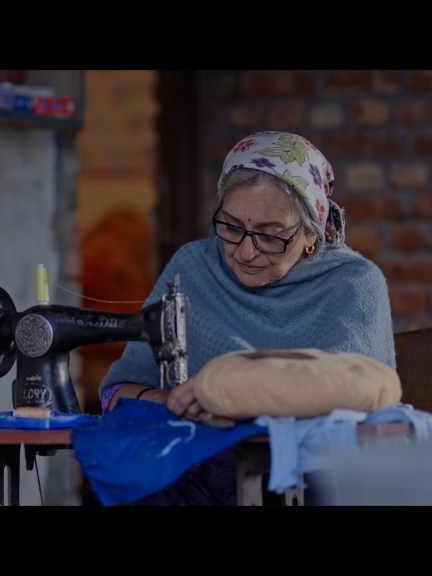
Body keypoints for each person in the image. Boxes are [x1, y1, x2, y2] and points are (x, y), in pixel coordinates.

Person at [96, 131, 395, 505]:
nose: (246, 252)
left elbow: (347, 399)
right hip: (198, 475)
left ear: (311, 232)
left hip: (309, 483)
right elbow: (116, 393)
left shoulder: (353, 284)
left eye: (270, 235)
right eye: (232, 227)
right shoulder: (194, 267)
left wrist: (233, 399)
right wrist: (162, 399)